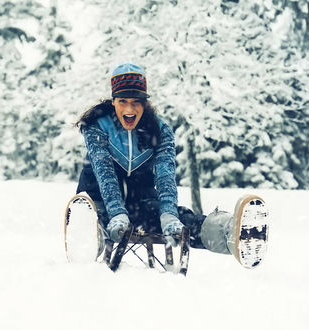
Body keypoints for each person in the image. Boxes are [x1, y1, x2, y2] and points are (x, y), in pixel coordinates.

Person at [75, 63, 268, 267]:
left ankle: (231, 233)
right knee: (97, 222)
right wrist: (116, 212)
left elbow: (165, 175)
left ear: (144, 103)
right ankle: (84, 240)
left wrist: (168, 214)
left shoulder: (159, 131)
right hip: (97, 203)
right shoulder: (96, 126)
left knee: (182, 218)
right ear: (114, 101)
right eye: (123, 101)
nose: (130, 109)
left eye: (136, 102)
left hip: (140, 204)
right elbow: (104, 172)